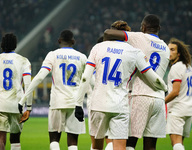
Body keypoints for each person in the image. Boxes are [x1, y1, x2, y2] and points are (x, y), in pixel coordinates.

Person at [74, 20, 167, 150]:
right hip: (120, 105)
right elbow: (153, 78)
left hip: (98, 104)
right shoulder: (134, 52)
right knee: (120, 147)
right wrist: (164, 88)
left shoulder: (97, 47)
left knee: (96, 147)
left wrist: (78, 104)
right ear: (125, 35)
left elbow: (85, 78)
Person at [104, 14, 170, 150]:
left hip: (140, 96)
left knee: (129, 142)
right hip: (158, 100)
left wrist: (126, 34)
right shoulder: (166, 47)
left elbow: (108, 33)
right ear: (159, 28)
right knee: (151, 146)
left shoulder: (139, 37)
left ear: (143, 27)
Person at [18, 29, 87, 150]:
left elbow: (39, 77)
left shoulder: (53, 55)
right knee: (73, 143)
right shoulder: (82, 57)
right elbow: (88, 81)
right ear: (73, 41)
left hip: (57, 102)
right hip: (75, 103)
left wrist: (23, 99)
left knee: (54, 140)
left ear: (59, 41)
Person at [0, 33, 32, 150]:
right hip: (17, 105)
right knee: (15, 139)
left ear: (1, 45)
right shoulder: (23, 61)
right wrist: (28, 107)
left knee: (0, 139)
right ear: (15, 45)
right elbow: (28, 85)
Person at [165, 38, 192, 150]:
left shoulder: (176, 68)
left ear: (179, 53)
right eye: (168, 50)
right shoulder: (188, 67)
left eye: (172, 50)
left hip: (177, 110)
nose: (169, 52)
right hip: (188, 109)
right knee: (180, 143)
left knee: (176, 143)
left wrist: (162, 102)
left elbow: (175, 92)